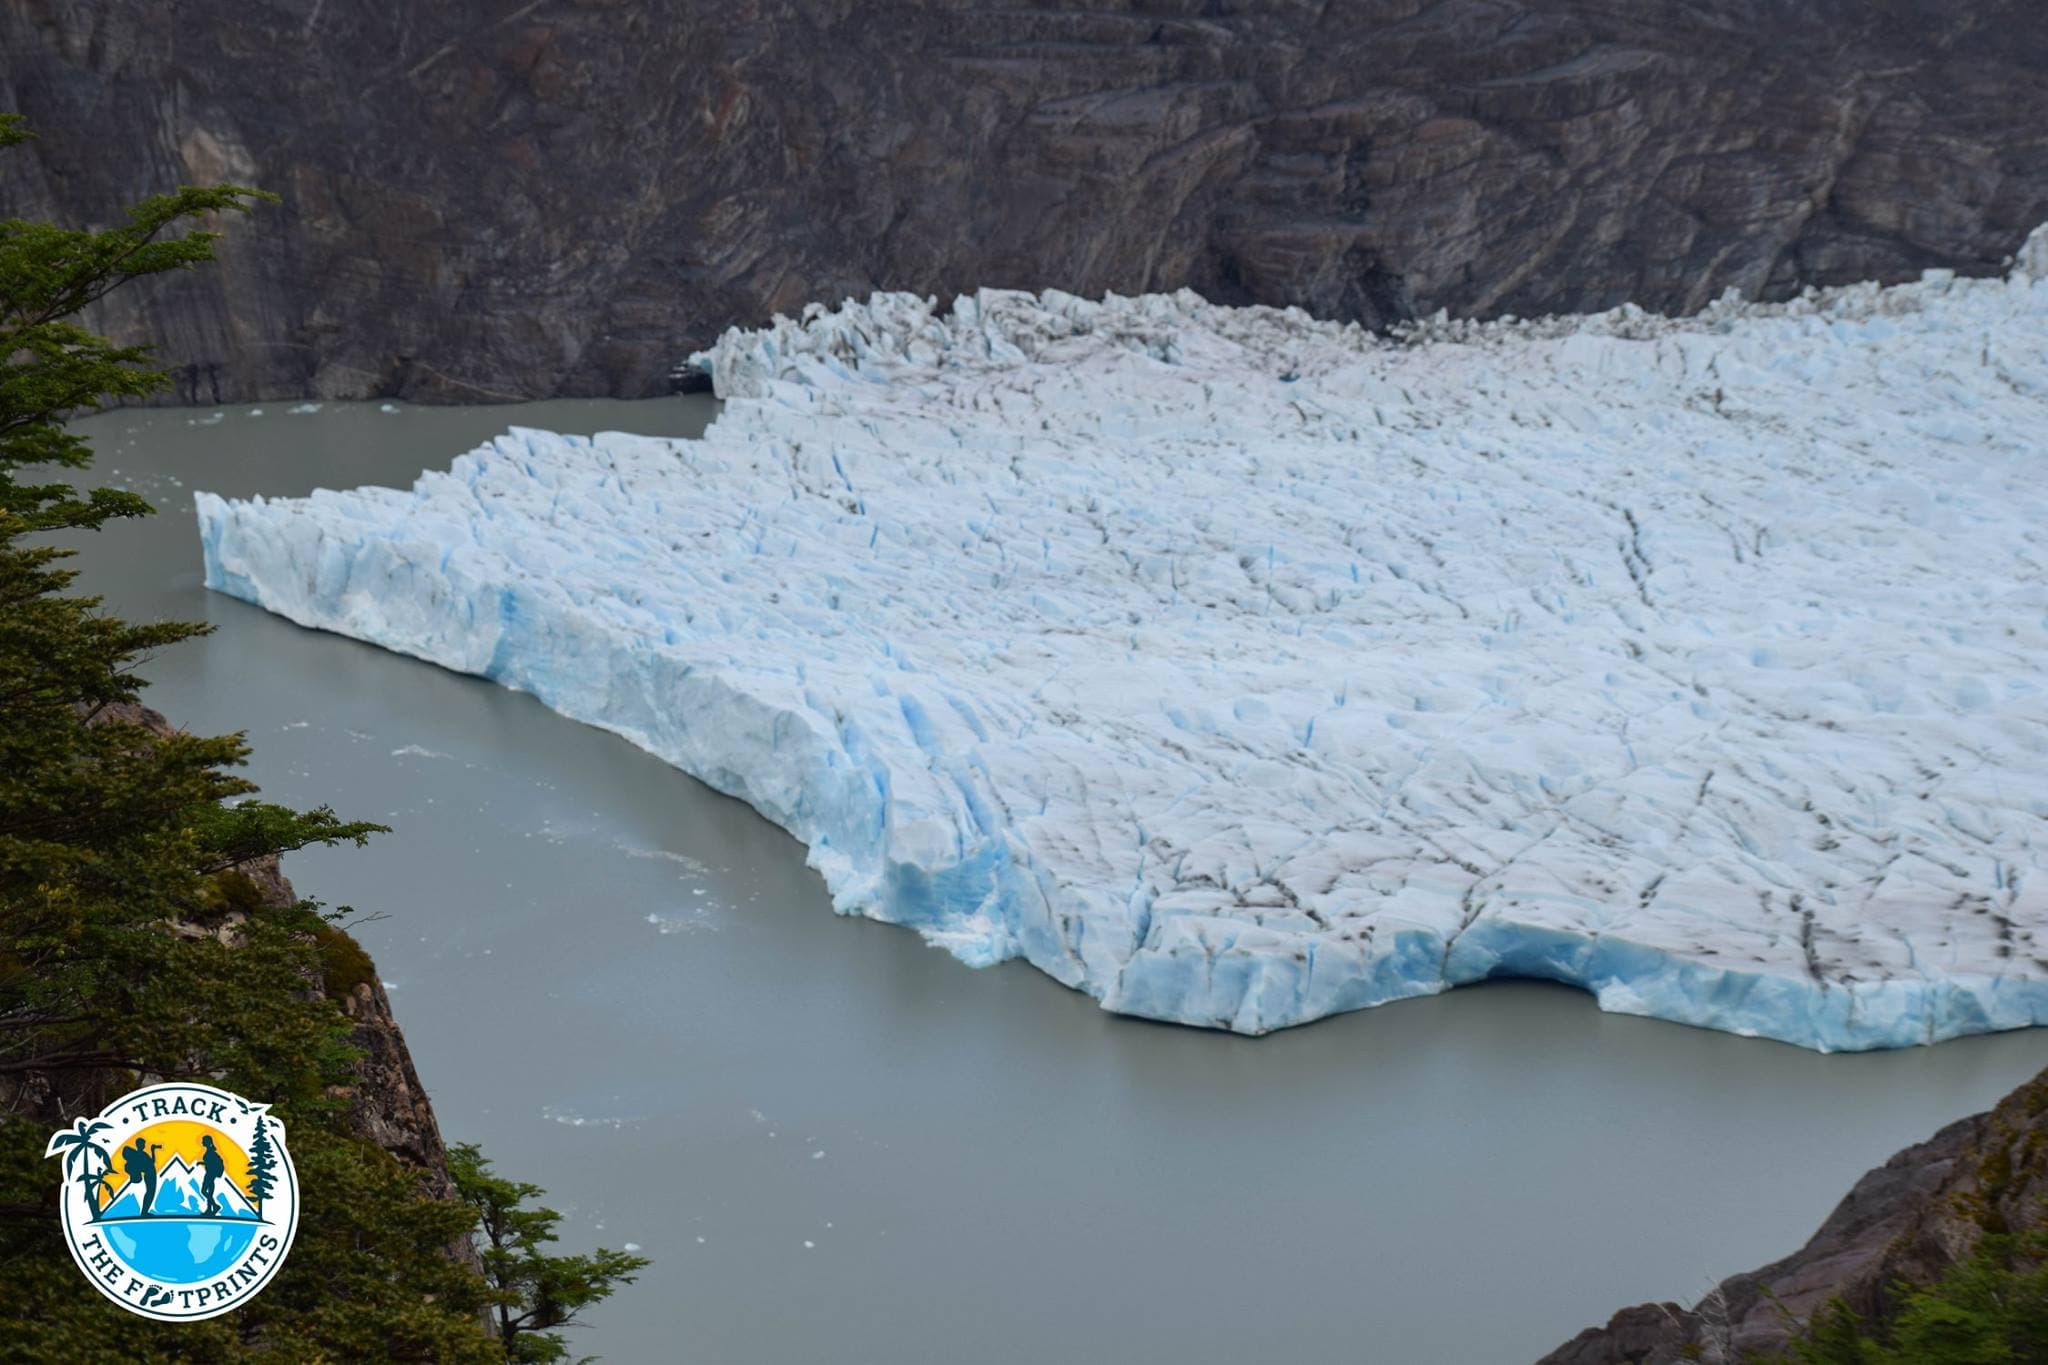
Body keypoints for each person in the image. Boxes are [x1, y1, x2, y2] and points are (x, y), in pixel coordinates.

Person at [120, 1137, 160, 1217]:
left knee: (150, 1193)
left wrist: (152, 1150)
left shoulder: (142, 1154)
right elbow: (149, 1163)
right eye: (142, 1144)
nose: (144, 1145)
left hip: (151, 1174)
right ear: (139, 1145)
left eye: (144, 1144)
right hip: (150, 1175)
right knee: (150, 1193)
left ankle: (144, 1212)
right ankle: (144, 1213)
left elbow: (151, 1162)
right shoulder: (140, 1155)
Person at [198, 1134, 226, 1216]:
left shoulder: (210, 1152)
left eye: (203, 1141)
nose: (202, 1142)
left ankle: (214, 1206)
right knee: (209, 1193)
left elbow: (211, 1163)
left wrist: (203, 1163)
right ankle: (210, 1209)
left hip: (210, 1174)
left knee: (204, 1191)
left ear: (207, 1142)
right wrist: (202, 1163)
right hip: (210, 1174)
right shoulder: (210, 1151)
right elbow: (209, 1162)